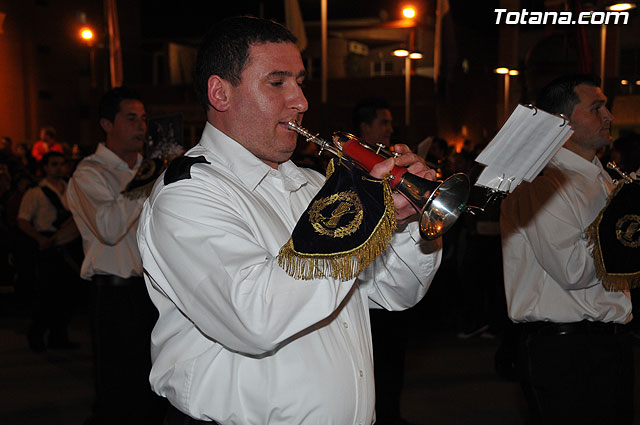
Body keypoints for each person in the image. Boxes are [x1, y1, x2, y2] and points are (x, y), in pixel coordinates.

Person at [137, 16, 442, 425]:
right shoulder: (188, 193)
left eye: (299, 81)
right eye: (277, 82)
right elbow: (255, 318)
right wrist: (360, 208)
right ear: (220, 93)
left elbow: (395, 293)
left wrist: (403, 221)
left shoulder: (316, 183)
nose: (301, 101)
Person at [500, 74, 634, 425]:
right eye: (596, 107)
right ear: (563, 121)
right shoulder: (542, 180)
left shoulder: (600, 175)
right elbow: (573, 270)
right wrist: (626, 233)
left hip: (607, 341)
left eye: (606, 106)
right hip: (565, 349)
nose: (608, 116)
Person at [66, 87, 166, 425]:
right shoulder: (90, 172)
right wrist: (146, 181)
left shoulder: (151, 169)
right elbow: (108, 228)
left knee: (155, 385)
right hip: (114, 292)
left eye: (144, 119)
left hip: (154, 292)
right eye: (131, 118)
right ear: (106, 124)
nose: (141, 126)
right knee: (118, 389)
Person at [351, 98, 415, 425]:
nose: (390, 129)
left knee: (392, 365)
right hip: (359, 288)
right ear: (364, 128)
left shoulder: (393, 161)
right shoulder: (347, 165)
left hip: (382, 284)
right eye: (383, 123)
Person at [17, 151, 81, 351]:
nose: (58, 168)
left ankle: (59, 337)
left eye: (62, 164)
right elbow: (22, 220)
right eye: (53, 164)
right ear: (45, 167)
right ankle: (36, 335)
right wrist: (39, 239)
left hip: (69, 244)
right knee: (46, 295)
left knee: (67, 295)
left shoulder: (71, 189)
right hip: (48, 246)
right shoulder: (35, 192)